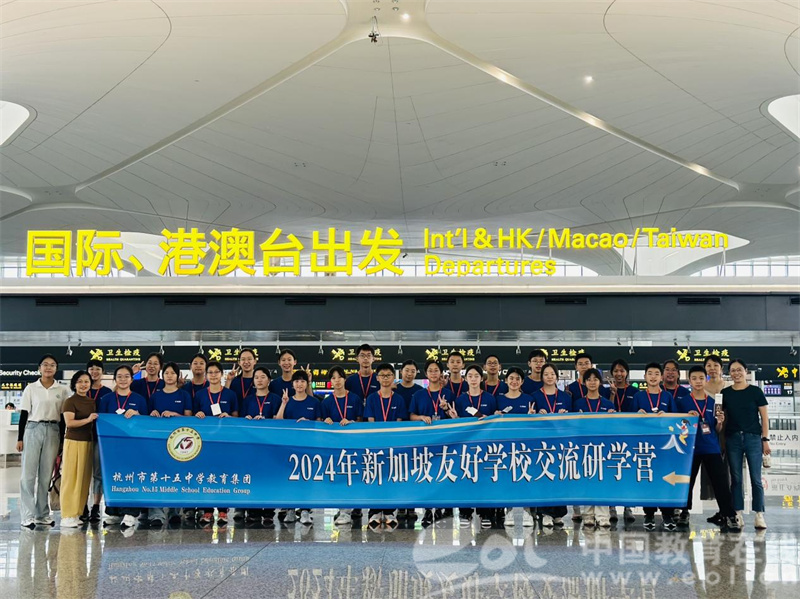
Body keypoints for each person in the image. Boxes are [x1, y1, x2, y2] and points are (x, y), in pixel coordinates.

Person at [673, 366, 739, 531]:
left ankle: (729, 514)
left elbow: (716, 429)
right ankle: (684, 512)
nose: (698, 381)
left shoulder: (713, 402)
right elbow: (676, 426)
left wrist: (720, 422)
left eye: (701, 378)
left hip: (711, 447)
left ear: (706, 380)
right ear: (689, 381)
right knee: (687, 482)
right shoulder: (682, 402)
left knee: (720, 482)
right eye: (694, 378)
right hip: (690, 449)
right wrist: (686, 419)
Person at [17, 354, 70, 529]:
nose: (48, 368)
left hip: (53, 431)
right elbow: (24, 414)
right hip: (33, 429)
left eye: (52, 365)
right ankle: (27, 515)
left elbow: (63, 418)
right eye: (45, 364)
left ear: (56, 369)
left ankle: (42, 514)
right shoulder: (31, 388)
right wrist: (20, 438)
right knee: (28, 475)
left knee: (46, 475)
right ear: (39, 368)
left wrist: (61, 440)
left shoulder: (62, 390)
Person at [98, 365, 149, 529]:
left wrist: (137, 415)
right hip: (112, 445)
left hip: (133, 445)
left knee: (131, 476)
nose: (123, 379)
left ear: (132, 379)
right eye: (119, 376)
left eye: (126, 376)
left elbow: (146, 423)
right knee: (114, 476)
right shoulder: (106, 399)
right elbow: (101, 421)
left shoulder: (139, 399)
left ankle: (130, 513)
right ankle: (114, 512)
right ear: (114, 379)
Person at [723, 359, 770, 530]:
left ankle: (759, 514)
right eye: (733, 370)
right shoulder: (725, 393)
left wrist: (765, 440)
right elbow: (721, 416)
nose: (736, 373)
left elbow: (764, 418)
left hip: (753, 439)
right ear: (729, 373)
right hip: (733, 439)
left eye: (739, 370)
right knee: (736, 478)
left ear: (746, 372)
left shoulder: (755, 391)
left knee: (756, 478)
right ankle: (738, 513)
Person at [409, 360, 457, 526]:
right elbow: (411, 416)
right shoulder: (419, 395)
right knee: (428, 474)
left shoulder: (449, 394)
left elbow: (455, 417)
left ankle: (446, 508)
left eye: (436, 370)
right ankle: (428, 510)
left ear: (441, 373)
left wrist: (445, 409)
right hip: (425, 441)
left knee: (445, 472)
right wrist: (421, 417)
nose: (434, 373)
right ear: (426, 374)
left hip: (446, 441)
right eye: (430, 370)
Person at [146, 362, 192, 528]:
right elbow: (147, 418)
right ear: (162, 375)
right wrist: (152, 414)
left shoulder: (184, 395)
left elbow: (189, 418)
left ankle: (174, 511)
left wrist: (175, 415)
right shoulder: (155, 396)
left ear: (177, 376)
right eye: (167, 373)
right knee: (156, 475)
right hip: (158, 442)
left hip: (179, 442)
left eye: (173, 373)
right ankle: (156, 514)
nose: (170, 376)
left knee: (176, 474)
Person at [193, 360, 238, 527]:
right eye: (210, 372)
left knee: (223, 473)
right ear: (206, 375)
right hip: (204, 441)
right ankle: (207, 510)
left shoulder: (230, 394)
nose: (213, 375)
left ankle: (223, 510)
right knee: (206, 473)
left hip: (224, 441)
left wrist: (229, 417)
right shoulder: (200, 395)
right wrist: (198, 415)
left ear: (221, 374)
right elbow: (192, 417)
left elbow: (236, 416)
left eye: (216, 372)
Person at [632, 362, 676, 529]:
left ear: (661, 377)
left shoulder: (667, 397)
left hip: (664, 445)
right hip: (645, 445)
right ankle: (649, 514)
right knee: (648, 478)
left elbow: (676, 419)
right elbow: (630, 419)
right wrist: (637, 415)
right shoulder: (638, 397)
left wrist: (668, 416)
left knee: (665, 479)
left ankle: (667, 515)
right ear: (645, 377)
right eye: (650, 373)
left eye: (656, 373)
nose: (653, 376)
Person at [364, 363, 408, 529]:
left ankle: (389, 511)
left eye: (388, 375)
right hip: (374, 445)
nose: (385, 378)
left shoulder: (398, 399)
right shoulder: (372, 398)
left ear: (393, 377)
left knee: (391, 477)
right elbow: (370, 422)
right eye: (382, 375)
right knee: (375, 477)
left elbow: (399, 423)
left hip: (393, 445)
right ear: (377, 378)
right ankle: (374, 511)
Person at [275, 370, 322, 526]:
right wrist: (284, 403)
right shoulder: (287, 401)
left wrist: (308, 423)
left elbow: (319, 423)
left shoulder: (314, 402)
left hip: (309, 446)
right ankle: (290, 509)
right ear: (292, 384)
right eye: (296, 381)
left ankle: (305, 510)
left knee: (306, 478)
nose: (299, 384)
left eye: (302, 381)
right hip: (289, 447)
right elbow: (279, 421)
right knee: (290, 478)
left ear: (307, 383)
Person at [455, 364, 497, 528]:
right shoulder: (460, 400)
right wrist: (455, 417)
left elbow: (495, 421)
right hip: (465, 445)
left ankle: (484, 512)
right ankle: (465, 512)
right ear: (465, 379)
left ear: (482, 378)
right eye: (470, 376)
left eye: (476, 376)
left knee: (484, 477)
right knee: (465, 476)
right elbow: (457, 423)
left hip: (485, 445)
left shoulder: (489, 398)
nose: (473, 379)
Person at [572, 369, 615, 528]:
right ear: (584, 382)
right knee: (587, 479)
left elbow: (613, 427)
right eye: (588, 379)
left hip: (602, 447)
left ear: (600, 382)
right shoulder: (578, 404)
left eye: (595, 379)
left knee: (602, 480)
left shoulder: (608, 404)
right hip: (583, 447)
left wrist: (612, 417)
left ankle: (603, 515)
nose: (592, 382)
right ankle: (588, 514)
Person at [320, 366, 363, 526]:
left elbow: (361, 421)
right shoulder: (327, 402)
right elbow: (321, 422)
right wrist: (326, 422)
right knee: (339, 476)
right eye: (333, 378)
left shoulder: (355, 399)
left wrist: (352, 423)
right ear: (330, 381)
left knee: (351, 476)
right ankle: (343, 508)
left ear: (345, 379)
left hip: (352, 445)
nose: (337, 381)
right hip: (334, 446)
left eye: (339, 377)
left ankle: (348, 510)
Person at [530, 363, 570, 527]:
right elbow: (530, 420)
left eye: (552, 374)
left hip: (561, 442)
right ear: (542, 377)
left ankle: (558, 514)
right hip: (542, 442)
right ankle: (545, 512)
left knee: (560, 475)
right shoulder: (534, 396)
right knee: (544, 475)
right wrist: (535, 415)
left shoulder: (565, 397)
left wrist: (566, 415)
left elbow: (573, 419)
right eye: (546, 374)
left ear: (557, 376)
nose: (549, 377)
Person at [495, 367, 535, 528]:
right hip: (505, 445)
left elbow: (537, 423)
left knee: (526, 476)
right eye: (511, 378)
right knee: (508, 477)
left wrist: (532, 417)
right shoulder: (499, 400)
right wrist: (495, 417)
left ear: (522, 382)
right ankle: (509, 510)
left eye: (517, 378)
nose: (514, 381)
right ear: (506, 381)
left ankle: (526, 511)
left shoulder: (529, 399)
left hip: (525, 445)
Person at [59, 371, 98, 528]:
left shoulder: (91, 402)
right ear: (74, 384)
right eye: (80, 381)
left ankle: (77, 512)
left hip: (88, 442)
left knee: (83, 479)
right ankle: (67, 515)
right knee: (71, 478)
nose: (83, 384)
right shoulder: (70, 401)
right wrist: (88, 419)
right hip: (74, 441)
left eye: (86, 381)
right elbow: (70, 423)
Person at [607, 358, 637, 523]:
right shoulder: (606, 391)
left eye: (622, 371)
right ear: (612, 373)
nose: (619, 374)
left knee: (628, 471)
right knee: (611, 471)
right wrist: (612, 394)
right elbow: (607, 410)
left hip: (629, 436)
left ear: (627, 373)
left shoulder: (634, 392)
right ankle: (611, 507)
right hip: (611, 437)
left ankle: (628, 507)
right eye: (616, 371)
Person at [84, 359, 112, 524]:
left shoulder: (107, 393)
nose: (94, 372)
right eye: (91, 369)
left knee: (98, 474)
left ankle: (95, 505)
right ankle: (82, 505)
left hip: (99, 438)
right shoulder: (82, 390)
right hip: (81, 437)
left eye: (97, 369)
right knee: (82, 473)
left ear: (102, 372)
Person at [225, 348, 257, 416]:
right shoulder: (234, 381)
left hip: (254, 418)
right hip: (235, 418)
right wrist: (228, 380)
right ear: (239, 362)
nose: (246, 362)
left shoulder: (259, 381)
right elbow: (225, 397)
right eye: (243, 359)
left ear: (255, 361)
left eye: (249, 359)